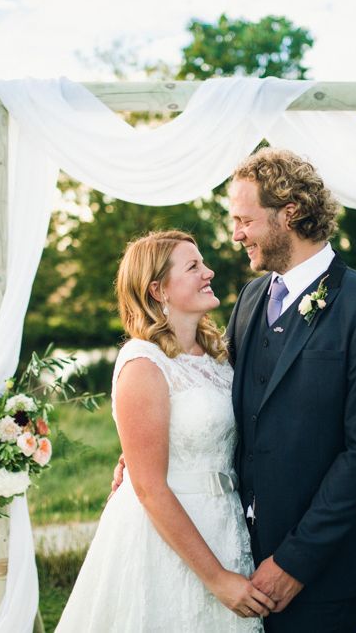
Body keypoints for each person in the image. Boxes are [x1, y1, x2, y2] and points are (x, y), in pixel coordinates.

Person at [225, 148, 356, 632]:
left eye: (245, 219)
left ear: (289, 214)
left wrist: (293, 563)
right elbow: (224, 399)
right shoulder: (248, 299)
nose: (236, 234)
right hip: (240, 556)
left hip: (327, 570)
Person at [56, 230, 273, 632]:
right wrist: (217, 579)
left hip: (224, 525)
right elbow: (149, 488)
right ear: (158, 289)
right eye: (193, 266)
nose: (209, 272)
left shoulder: (218, 357)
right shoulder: (142, 363)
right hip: (164, 539)